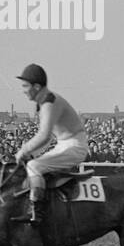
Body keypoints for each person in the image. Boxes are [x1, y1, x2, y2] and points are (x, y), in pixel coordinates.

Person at [13, 63, 88, 229]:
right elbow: (46, 138)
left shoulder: (49, 102)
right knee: (33, 164)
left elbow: (44, 135)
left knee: (33, 166)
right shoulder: (45, 101)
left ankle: (36, 213)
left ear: (37, 86)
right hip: (65, 144)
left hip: (74, 146)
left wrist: (24, 150)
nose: (23, 90)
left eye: (25, 86)